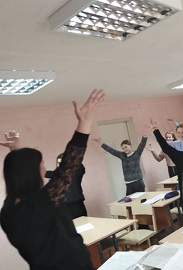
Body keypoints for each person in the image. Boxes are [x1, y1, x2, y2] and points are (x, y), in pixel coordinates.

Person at [0, 89, 105, 270]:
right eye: (41, 164)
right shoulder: (43, 201)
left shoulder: (7, 212)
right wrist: (85, 122)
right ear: (33, 172)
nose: (43, 168)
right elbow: (69, 166)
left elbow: (20, 174)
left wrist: (15, 152)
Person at [45, 153, 87, 219]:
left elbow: (80, 168)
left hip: (76, 207)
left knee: (83, 226)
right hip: (63, 208)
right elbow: (47, 173)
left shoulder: (76, 173)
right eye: (58, 163)